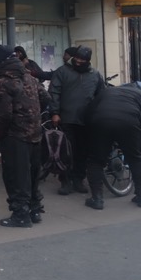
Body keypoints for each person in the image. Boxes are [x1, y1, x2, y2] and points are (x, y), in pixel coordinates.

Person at [0, 45, 51, 228]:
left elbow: (4, 115)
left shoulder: (4, 83)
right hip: (35, 134)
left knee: (16, 176)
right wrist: (33, 115)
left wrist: (1, 135)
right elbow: (46, 98)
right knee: (32, 174)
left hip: (15, 136)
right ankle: (34, 210)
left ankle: (21, 215)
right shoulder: (29, 78)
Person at [82, 85, 141, 210]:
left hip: (101, 120)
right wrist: (140, 148)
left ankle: (97, 199)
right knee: (135, 159)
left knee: (96, 161)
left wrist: (91, 133)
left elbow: (90, 111)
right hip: (128, 122)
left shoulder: (106, 92)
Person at [48, 45, 105, 195]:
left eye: (82, 59)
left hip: (87, 120)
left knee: (83, 152)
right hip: (66, 119)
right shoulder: (62, 72)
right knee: (65, 152)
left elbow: (101, 95)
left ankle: (78, 179)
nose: (78, 61)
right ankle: (65, 181)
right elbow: (54, 92)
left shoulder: (95, 75)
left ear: (88, 60)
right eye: (77, 58)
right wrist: (55, 112)